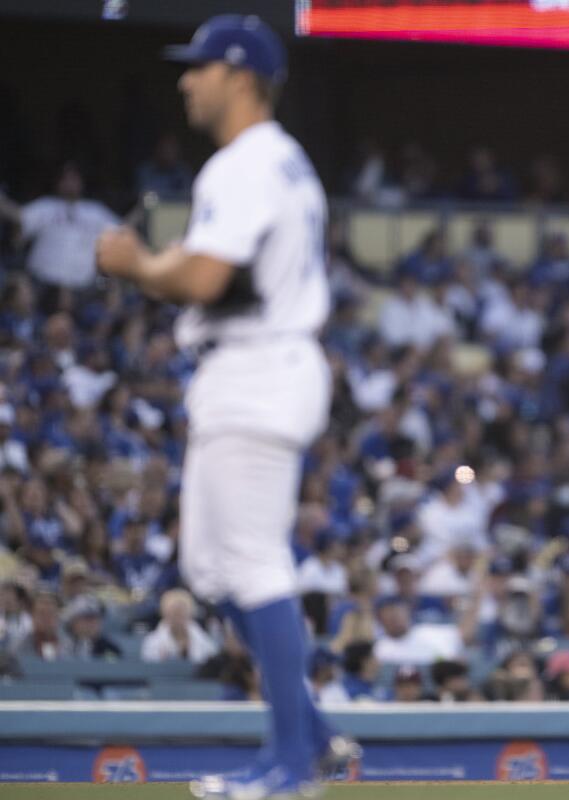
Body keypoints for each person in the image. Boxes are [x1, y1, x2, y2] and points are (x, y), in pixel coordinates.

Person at [94, 15, 356, 798]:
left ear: (239, 77)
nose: (185, 80)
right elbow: (217, 270)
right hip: (249, 363)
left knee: (249, 563)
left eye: (199, 67)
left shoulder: (245, 162)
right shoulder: (277, 162)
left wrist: (136, 263)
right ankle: (310, 738)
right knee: (209, 571)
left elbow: (205, 279)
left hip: (258, 364)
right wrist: (157, 264)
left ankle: (290, 766)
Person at [0, 161, 120, 288]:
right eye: (65, 179)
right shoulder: (46, 206)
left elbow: (122, 231)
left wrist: (140, 210)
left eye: (73, 178)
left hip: (83, 289)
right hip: (42, 285)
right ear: (58, 182)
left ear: (81, 182)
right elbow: (18, 217)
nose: (69, 183)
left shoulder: (95, 211)